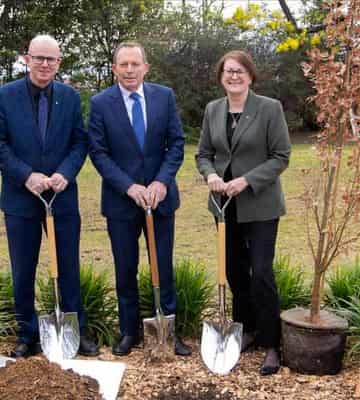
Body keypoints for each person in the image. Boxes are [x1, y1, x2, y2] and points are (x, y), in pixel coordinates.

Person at [88, 41, 191, 357]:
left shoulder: (164, 97)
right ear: (115, 68)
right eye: (124, 64)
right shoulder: (101, 103)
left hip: (160, 201)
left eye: (135, 64)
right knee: (125, 268)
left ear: (146, 67)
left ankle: (167, 332)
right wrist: (129, 187)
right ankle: (129, 332)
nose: (130, 70)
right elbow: (99, 152)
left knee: (163, 266)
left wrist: (161, 182)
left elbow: (176, 144)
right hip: (122, 202)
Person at [0, 35, 98, 358]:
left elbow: (79, 142)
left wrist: (64, 175)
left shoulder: (70, 97)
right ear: (26, 59)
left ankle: (76, 332)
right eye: (39, 58)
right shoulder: (5, 95)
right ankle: (27, 335)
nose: (45, 64)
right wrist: (26, 175)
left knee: (68, 266)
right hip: (20, 198)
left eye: (51, 59)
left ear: (59, 63)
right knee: (23, 270)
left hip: (61, 196)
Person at [196, 50, 291, 375]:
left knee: (261, 273)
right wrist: (210, 175)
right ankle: (246, 330)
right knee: (235, 273)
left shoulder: (269, 108)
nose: (233, 76)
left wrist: (247, 180)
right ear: (221, 77)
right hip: (224, 206)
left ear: (250, 76)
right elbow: (203, 153)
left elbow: (281, 156)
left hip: (260, 204)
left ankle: (271, 344)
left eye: (239, 71)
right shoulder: (213, 109)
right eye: (228, 72)